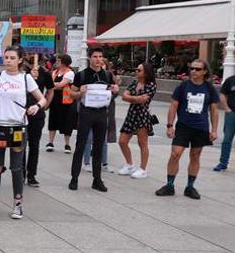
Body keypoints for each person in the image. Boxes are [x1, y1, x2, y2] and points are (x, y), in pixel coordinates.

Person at [0, 46, 44, 220]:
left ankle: (18, 204)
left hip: (18, 127)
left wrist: (35, 106)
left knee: (17, 167)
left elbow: (43, 98)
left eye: (11, 58)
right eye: (6, 57)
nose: (7, 60)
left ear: (20, 60)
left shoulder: (26, 78)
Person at [157, 59, 219, 199]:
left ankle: (190, 187)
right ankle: (169, 185)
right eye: (192, 68)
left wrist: (214, 129)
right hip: (184, 126)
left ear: (204, 72)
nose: (193, 71)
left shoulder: (209, 88)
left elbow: (214, 110)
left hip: (201, 127)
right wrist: (169, 125)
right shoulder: (183, 86)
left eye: (197, 69)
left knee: (195, 155)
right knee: (175, 154)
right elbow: (173, 106)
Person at [68, 49, 115, 192]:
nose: (98, 59)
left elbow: (112, 92)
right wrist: (80, 92)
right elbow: (71, 93)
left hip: (101, 112)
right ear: (90, 58)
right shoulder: (82, 75)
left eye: (100, 56)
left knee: (99, 146)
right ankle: (74, 178)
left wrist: (115, 90)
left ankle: (97, 179)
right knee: (81, 145)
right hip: (86, 112)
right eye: (95, 56)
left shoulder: (107, 75)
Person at [116, 63, 156, 179]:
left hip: (142, 115)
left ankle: (143, 169)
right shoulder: (134, 83)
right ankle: (129, 165)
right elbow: (124, 96)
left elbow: (143, 100)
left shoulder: (151, 85)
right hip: (131, 114)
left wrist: (131, 98)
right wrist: (135, 99)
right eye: (136, 70)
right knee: (122, 141)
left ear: (146, 73)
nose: (136, 72)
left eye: (139, 70)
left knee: (142, 143)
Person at [24, 53, 53, 186]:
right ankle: (20, 173)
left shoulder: (44, 73)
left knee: (34, 146)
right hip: (21, 113)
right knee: (21, 146)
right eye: (28, 52)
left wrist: (45, 104)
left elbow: (51, 89)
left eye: (33, 53)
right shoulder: (21, 72)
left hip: (37, 114)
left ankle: (31, 174)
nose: (30, 55)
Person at [47, 53, 77, 153]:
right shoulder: (55, 72)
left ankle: (67, 144)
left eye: (59, 61)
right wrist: (54, 85)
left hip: (66, 100)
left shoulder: (70, 73)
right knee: (53, 120)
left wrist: (53, 85)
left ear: (64, 62)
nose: (57, 62)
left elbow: (61, 84)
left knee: (67, 121)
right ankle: (50, 142)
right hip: (55, 99)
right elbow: (52, 84)